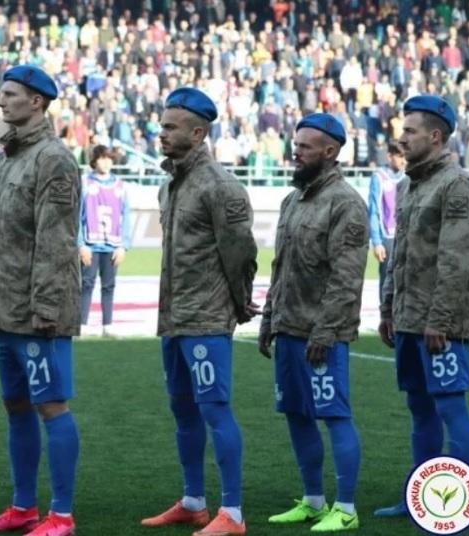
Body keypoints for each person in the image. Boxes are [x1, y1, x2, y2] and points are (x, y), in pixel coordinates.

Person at [141, 87, 258, 536]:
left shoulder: (220, 186)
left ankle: (233, 513)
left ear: (198, 133)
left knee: (214, 410)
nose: (162, 133)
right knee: (182, 410)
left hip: (206, 318)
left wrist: (239, 301)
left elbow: (241, 253)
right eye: (162, 125)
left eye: (171, 127)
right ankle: (193, 502)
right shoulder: (170, 184)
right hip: (173, 318)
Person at [0, 65, 81, 536]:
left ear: (36, 102)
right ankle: (23, 508)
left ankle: (62, 515)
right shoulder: (11, 156)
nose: (1, 101)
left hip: (37, 313)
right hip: (6, 310)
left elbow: (55, 244)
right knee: (15, 407)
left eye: (10, 94)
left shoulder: (53, 159)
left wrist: (46, 310)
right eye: (1, 93)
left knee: (52, 407)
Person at [374, 95, 469, 518]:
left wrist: (439, 318)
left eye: (410, 131)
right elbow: (399, 255)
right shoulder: (407, 185)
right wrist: (388, 308)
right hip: (408, 319)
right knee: (419, 409)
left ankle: (458, 503)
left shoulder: (456, 187)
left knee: (449, 407)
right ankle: (421, 497)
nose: (401, 138)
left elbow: (455, 260)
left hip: (440, 324)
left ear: (435, 136)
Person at [258, 113, 367, 532]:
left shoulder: (346, 203)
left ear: (330, 151)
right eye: (296, 144)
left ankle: (347, 508)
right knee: (296, 415)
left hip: (323, 334)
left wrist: (325, 330)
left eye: (305, 146)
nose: (296, 152)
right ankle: (314, 500)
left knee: (334, 416)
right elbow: (280, 266)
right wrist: (269, 318)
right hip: (288, 329)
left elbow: (346, 276)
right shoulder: (292, 200)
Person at [78, 144, 132, 337]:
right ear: (94, 161)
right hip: (91, 245)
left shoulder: (120, 186)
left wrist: (123, 246)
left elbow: (126, 217)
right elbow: (77, 216)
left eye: (109, 158)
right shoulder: (85, 183)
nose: (106, 162)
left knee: (109, 285)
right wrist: (80, 245)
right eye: (102, 158)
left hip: (112, 245)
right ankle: (82, 324)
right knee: (86, 284)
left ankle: (107, 325)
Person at [367, 141, 406, 302]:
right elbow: (374, 211)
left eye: (405, 156)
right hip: (388, 238)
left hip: (406, 238)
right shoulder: (379, 177)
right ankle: (385, 315)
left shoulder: (408, 176)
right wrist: (377, 242)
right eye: (400, 156)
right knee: (387, 283)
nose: (404, 161)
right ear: (390, 157)